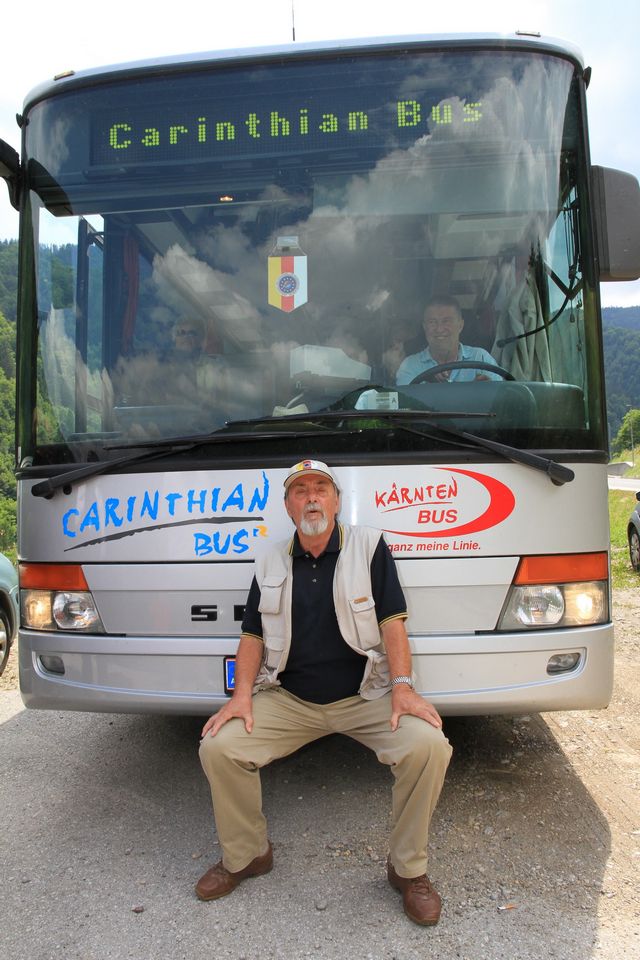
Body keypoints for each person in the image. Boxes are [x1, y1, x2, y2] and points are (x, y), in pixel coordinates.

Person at [196, 459, 453, 926]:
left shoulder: (369, 546)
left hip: (364, 697)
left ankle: (407, 870)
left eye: (320, 489)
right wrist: (241, 696)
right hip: (290, 700)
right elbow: (252, 635)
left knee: (428, 746)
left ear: (336, 501)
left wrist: (402, 687)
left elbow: (392, 622)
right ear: (288, 506)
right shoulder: (269, 560)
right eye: (300, 491)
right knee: (220, 746)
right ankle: (247, 855)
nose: (311, 497)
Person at [396, 296, 501, 384]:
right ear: (424, 327)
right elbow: (406, 401)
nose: (439, 329)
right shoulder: (410, 366)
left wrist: (488, 390)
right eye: (432, 322)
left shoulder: (480, 358)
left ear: (460, 325)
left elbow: (502, 395)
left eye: (446, 321)